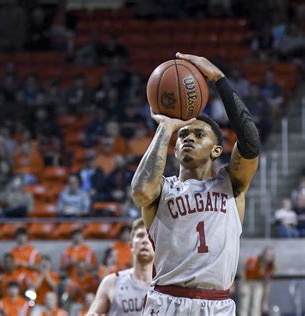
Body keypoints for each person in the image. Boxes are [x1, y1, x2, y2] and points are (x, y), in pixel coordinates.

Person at [131, 53, 261, 316]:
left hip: (216, 304)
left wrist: (219, 80)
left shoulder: (231, 184)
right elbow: (140, 191)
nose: (187, 138)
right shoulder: (162, 190)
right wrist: (166, 128)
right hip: (167, 300)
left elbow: (250, 143)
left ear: (216, 150)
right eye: (183, 135)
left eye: (198, 134)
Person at [88, 218, 154, 315]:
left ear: (156, 245)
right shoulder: (111, 282)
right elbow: (93, 313)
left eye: (150, 237)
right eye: (140, 236)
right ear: (131, 245)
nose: (145, 241)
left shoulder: (165, 284)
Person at [239, 247, 275, 316]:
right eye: (268, 255)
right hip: (247, 282)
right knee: (245, 303)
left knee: (256, 304)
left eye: (271, 256)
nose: (270, 257)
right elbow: (243, 271)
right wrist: (242, 286)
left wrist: (265, 300)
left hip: (259, 284)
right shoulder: (253, 260)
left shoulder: (270, 266)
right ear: (264, 254)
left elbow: (267, 281)